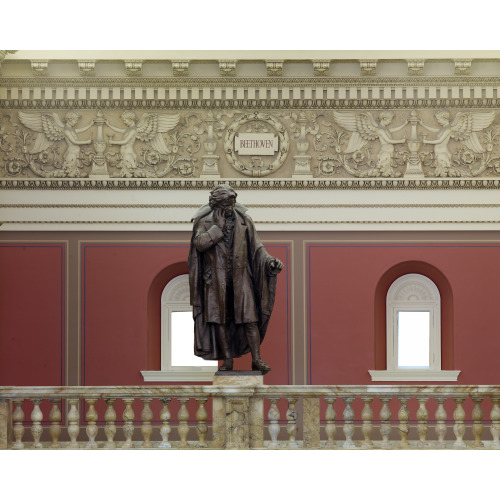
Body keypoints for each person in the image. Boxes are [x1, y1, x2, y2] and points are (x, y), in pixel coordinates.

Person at [188, 184, 283, 373]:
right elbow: (199, 244)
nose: (230, 208)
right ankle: (228, 360)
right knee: (221, 320)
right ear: (217, 204)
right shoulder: (204, 222)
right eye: (226, 205)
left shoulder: (244, 221)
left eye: (232, 204)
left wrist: (270, 260)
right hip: (216, 279)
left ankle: (256, 359)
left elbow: (257, 248)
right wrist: (218, 228)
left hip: (241, 276)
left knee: (250, 319)